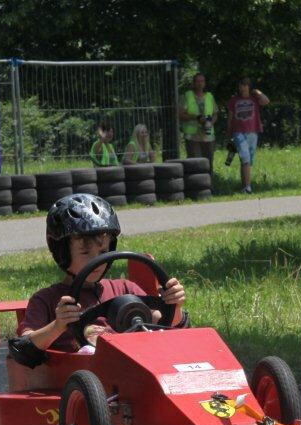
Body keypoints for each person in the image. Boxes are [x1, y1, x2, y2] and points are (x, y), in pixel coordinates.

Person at [18, 194, 187, 353]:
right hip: (78, 376)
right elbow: (25, 345)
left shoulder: (125, 289)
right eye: (85, 253)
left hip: (130, 368)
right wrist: (58, 325)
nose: (96, 260)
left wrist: (174, 305)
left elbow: (160, 323)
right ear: (63, 253)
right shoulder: (46, 300)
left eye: (103, 251)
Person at [226, 77, 268, 194]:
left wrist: (258, 92)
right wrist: (229, 134)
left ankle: (244, 186)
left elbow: (266, 101)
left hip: (253, 132)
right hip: (238, 132)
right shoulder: (234, 100)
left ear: (249, 87)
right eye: (241, 85)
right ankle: (248, 187)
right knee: (245, 157)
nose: (243, 87)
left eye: (245, 85)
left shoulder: (255, 99)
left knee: (248, 161)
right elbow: (230, 119)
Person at [178, 73, 217, 175]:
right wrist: (196, 117)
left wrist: (210, 123)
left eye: (202, 81)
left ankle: (209, 186)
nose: (200, 84)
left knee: (209, 162)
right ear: (194, 83)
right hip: (192, 136)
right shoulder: (187, 96)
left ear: (205, 83)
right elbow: (180, 115)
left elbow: (215, 114)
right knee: (195, 163)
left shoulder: (209, 96)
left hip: (208, 135)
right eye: (198, 81)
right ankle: (195, 186)